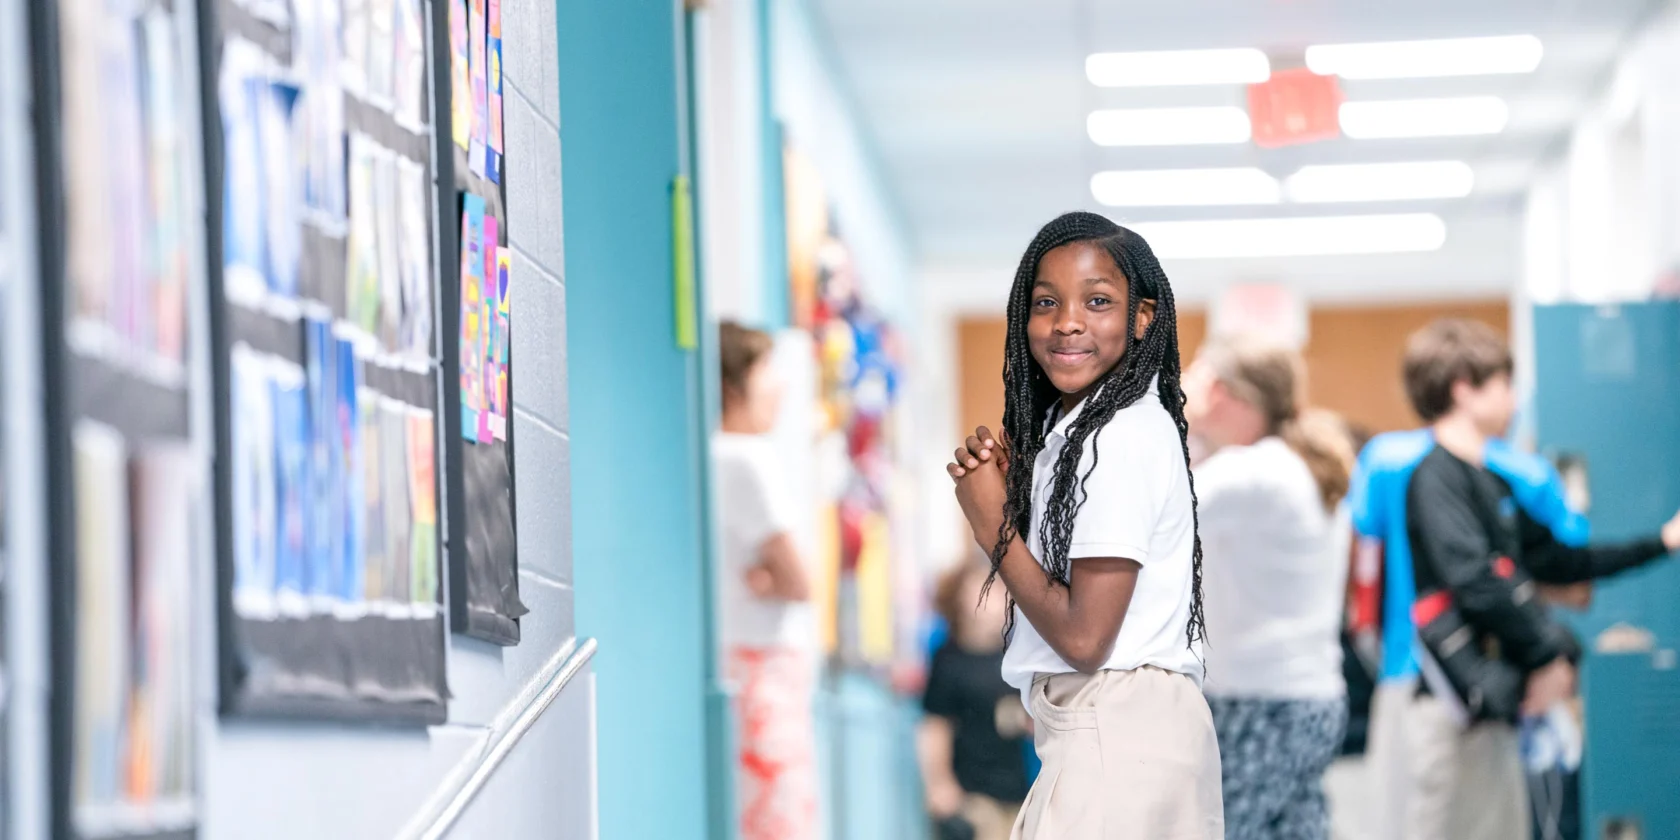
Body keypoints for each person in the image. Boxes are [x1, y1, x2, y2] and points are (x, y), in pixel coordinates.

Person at [947, 211, 1222, 839]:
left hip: (1118, 727)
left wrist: (992, 525)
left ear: (1143, 317)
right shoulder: (1087, 432)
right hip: (1124, 730)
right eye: (1046, 302)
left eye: (1098, 301)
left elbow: (1084, 637)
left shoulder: (1118, 437)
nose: (1067, 321)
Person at [1349, 319, 1680, 840]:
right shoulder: (1439, 476)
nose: (1514, 397)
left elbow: (1560, 561)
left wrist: (1660, 542)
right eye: (1505, 383)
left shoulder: (1482, 477)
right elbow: (1477, 580)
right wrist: (1550, 653)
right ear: (1464, 387)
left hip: (1484, 692)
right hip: (1436, 690)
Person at [1181, 336, 1356, 840]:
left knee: (1224, 830)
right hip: (1308, 696)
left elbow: (1154, 518)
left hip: (1260, 703)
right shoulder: (1293, 465)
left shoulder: (1251, 472)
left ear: (1217, 390)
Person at [713, 321, 820, 840]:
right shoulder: (747, 459)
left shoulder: (707, 456)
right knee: (781, 818)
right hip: (766, 664)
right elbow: (800, 581)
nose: (778, 387)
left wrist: (766, 577)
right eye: (765, 372)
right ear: (735, 385)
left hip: (733, 658)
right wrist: (772, 579)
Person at [918, 558, 1033, 840]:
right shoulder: (950, 660)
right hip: (971, 795)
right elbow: (935, 725)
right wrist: (939, 783)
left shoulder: (1013, 657)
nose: (995, 599)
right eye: (985, 590)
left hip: (1016, 788)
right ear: (960, 602)